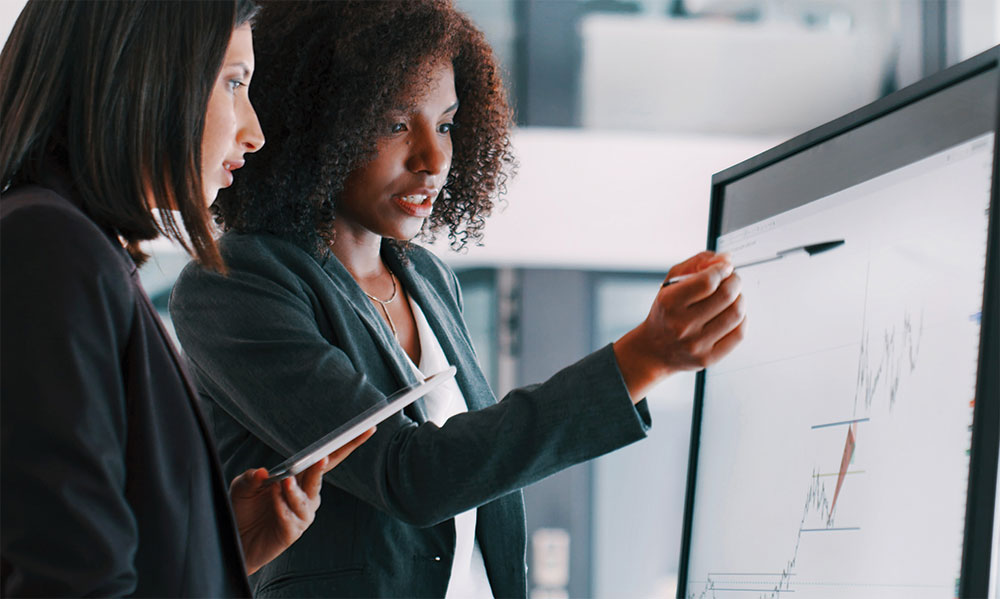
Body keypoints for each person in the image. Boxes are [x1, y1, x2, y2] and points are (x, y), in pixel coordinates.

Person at [168, 1, 746, 597]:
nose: (434, 160)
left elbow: (476, 478)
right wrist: (639, 361)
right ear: (314, 126)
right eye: (395, 125)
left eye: (444, 124)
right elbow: (408, 474)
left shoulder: (427, 279)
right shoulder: (235, 283)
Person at [0, 1, 372, 596]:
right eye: (233, 83)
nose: (254, 132)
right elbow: (68, 578)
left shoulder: (71, 245)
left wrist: (218, 544)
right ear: (141, 76)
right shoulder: (49, 245)